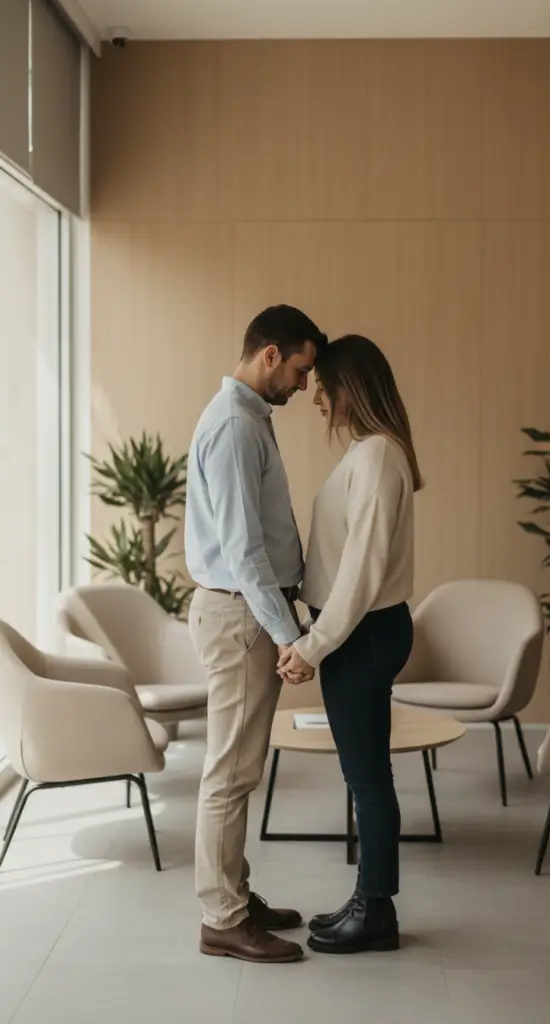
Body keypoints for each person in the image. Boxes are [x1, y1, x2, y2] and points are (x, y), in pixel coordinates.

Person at [186, 304, 327, 964]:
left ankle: (235, 894)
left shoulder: (244, 420)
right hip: (243, 614)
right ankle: (222, 918)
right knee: (231, 773)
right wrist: (287, 636)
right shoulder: (237, 427)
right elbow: (244, 553)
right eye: (300, 370)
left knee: (237, 767)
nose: (304, 386)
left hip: (243, 610)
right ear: (269, 354)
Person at [278, 335, 421, 955]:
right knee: (364, 774)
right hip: (360, 631)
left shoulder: (378, 457)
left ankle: (377, 913)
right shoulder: (373, 453)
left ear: (350, 388)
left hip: (361, 633)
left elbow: (360, 571)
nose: (316, 398)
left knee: (367, 778)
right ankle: (369, 900)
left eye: (323, 384)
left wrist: (314, 644)